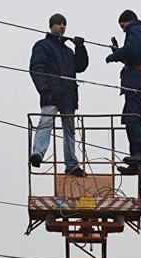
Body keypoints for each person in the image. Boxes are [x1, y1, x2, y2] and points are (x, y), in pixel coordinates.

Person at [29, 13, 89, 177]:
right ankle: (38, 153)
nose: (62, 26)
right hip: (51, 93)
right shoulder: (43, 46)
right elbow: (36, 68)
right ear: (51, 26)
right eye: (58, 23)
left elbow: (80, 66)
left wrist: (80, 48)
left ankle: (71, 164)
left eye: (64, 24)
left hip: (68, 95)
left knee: (69, 130)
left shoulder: (68, 51)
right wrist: (44, 90)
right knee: (46, 122)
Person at [105, 9, 141, 176]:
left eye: (123, 27)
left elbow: (131, 50)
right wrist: (119, 52)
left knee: (132, 118)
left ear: (128, 21)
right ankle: (137, 163)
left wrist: (115, 55)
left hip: (137, 82)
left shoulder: (136, 30)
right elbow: (134, 55)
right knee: (130, 118)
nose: (123, 31)